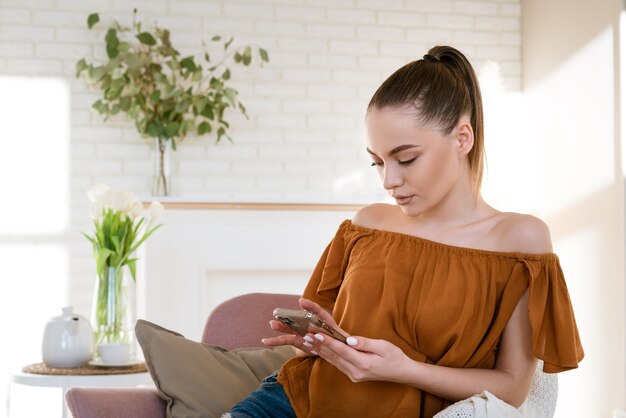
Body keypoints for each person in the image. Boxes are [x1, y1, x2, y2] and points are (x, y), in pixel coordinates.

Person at [224, 45, 584, 418]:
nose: (389, 181)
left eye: (407, 158)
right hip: (293, 402)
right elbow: (307, 349)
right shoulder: (366, 224)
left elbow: (512, 387)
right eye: (377, 162)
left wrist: (404, 370)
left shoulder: (519, 240)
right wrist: (320, 343)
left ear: (463, 138)